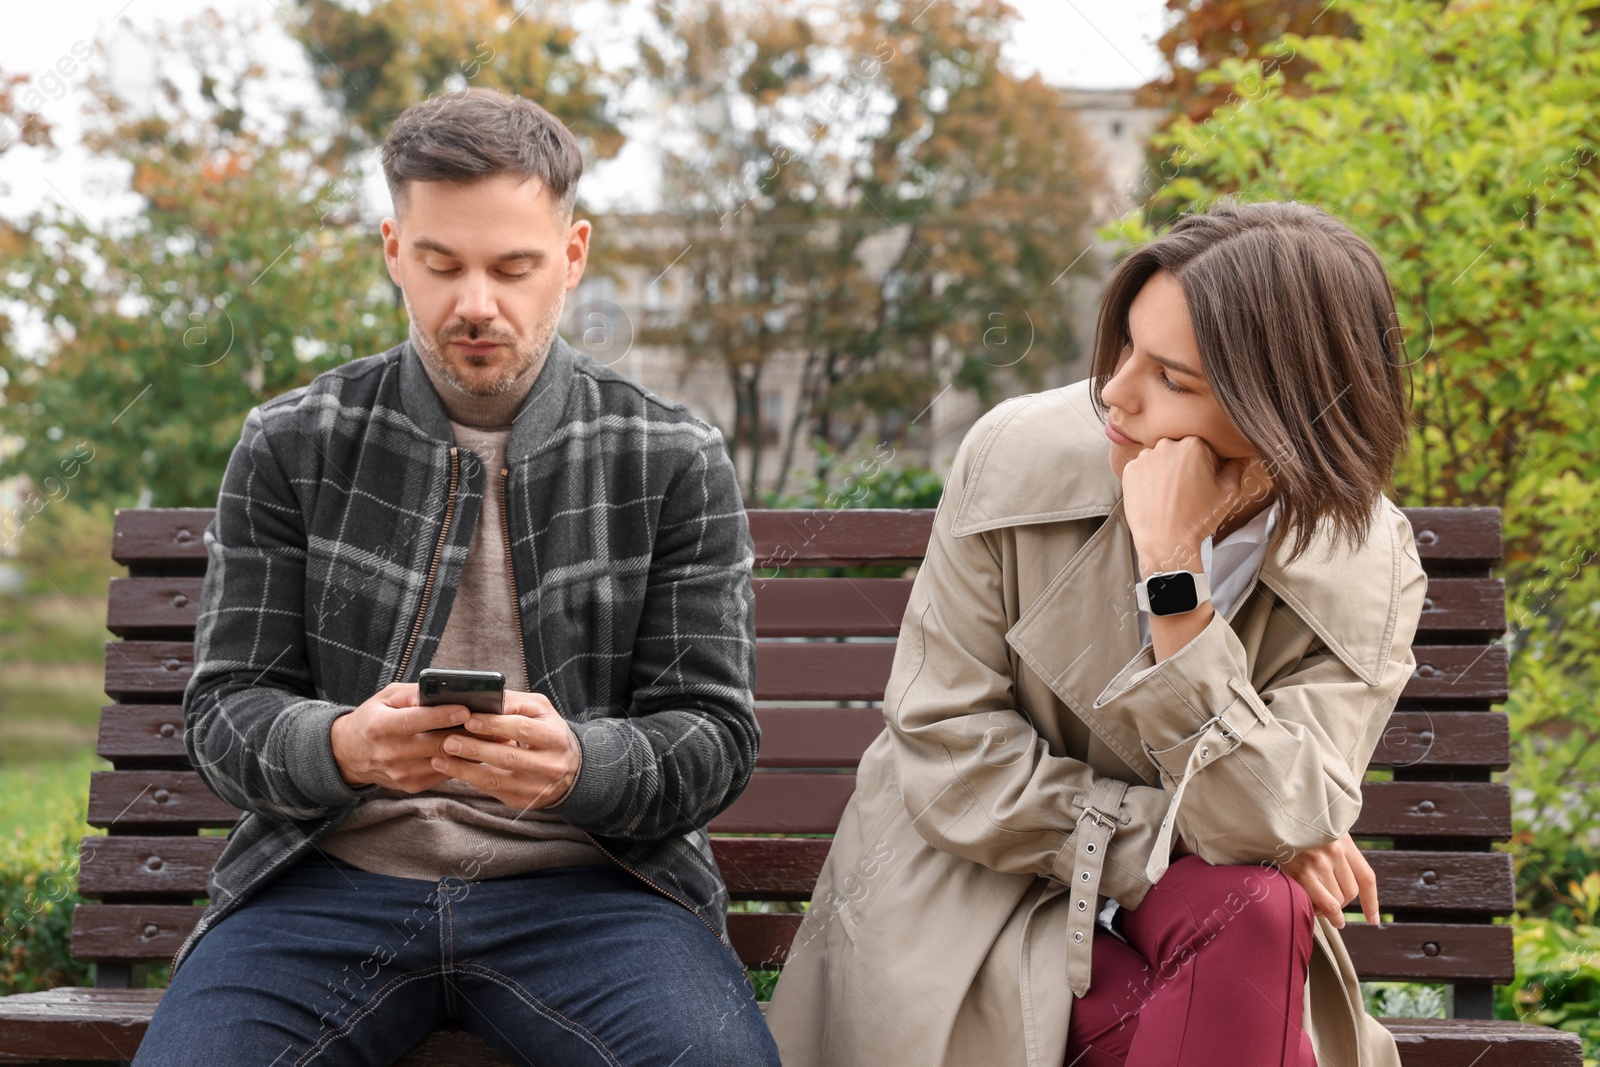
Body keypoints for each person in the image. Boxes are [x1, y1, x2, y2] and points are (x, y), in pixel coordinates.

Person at [135, 88, 781, 1067]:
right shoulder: (291, 441)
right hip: (324, 885)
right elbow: (225, 713)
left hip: (595, 891)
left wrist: (578, 766)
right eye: (441, 264)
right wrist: (343, 745)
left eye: (513, 266)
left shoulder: (669, 454)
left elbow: (714, 737)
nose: (475, 302)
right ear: (394, 249)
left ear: (572, 257)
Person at [765, 199, 1428, 1067]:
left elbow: (1275, 815)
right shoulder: (1014, 456)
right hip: (979, 890)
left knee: (1256, 910)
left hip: (1210, 919)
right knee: (1255, 929)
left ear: (1284, 415)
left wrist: (1175, 584)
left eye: (1172, 378)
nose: (1114, 393)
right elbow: (950, 747)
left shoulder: (1368, 563)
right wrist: (1183, 829)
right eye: (1125, 349)